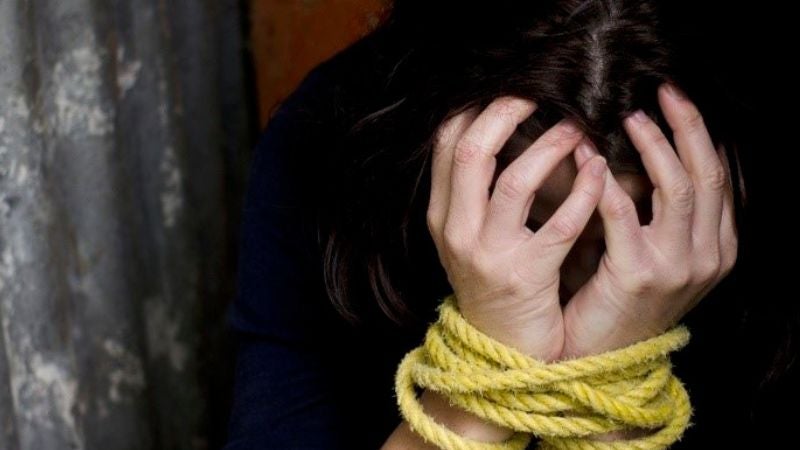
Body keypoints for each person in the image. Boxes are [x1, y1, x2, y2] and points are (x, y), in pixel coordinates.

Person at [223, 1, 795, 448]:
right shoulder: (332, 144)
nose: (585, 284)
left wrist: (612, 393)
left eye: (635, 228)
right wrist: (483, 379)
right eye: (537, 223)